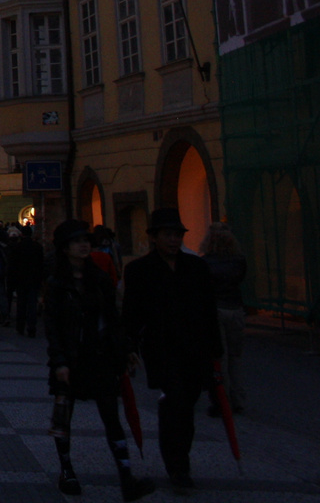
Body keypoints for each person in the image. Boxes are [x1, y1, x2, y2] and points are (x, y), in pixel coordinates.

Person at [44, 219, 154, 500]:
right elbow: (53, 326)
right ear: (65, 248)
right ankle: (66, 470)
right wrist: (59, 362)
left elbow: (113, 318)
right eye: (77, 241)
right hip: (70, 359)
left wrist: (126, 348)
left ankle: (126, 478)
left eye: (86, 240)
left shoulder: (99, 278)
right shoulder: (57, 282)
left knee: (112, 418)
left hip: (100, 357)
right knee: (63, 418)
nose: (84, 245)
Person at [123, 209, 221, 490]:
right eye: (168, 234)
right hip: (162, 349)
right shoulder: (139, 271)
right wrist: (129, 346)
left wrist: (215, 350)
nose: (174, 239)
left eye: (178, 234)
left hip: (195, 349)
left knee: (186, 407)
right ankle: (178, 467)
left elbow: (208, 310)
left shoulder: (196, 268)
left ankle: (180, 458)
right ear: (154, 237)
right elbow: (132, 313)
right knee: (177, 403)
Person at [200, 222, 248, 415]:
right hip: (236, 308)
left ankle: (222, 399)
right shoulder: (239, 260)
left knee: (221, 356)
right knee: (235, 356)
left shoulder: (205, 262)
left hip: (216, 310)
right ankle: (238, 399)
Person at [10, 225, 47, 338]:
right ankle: (32, 327)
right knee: (32, 304)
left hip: (21, 279)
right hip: (34, 279)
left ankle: (20, 326)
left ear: (22, 234)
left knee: (21, 303)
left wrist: (13, 280)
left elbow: (13, 265)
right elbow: (41, 264)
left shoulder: (18, 247)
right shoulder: (37, 247)